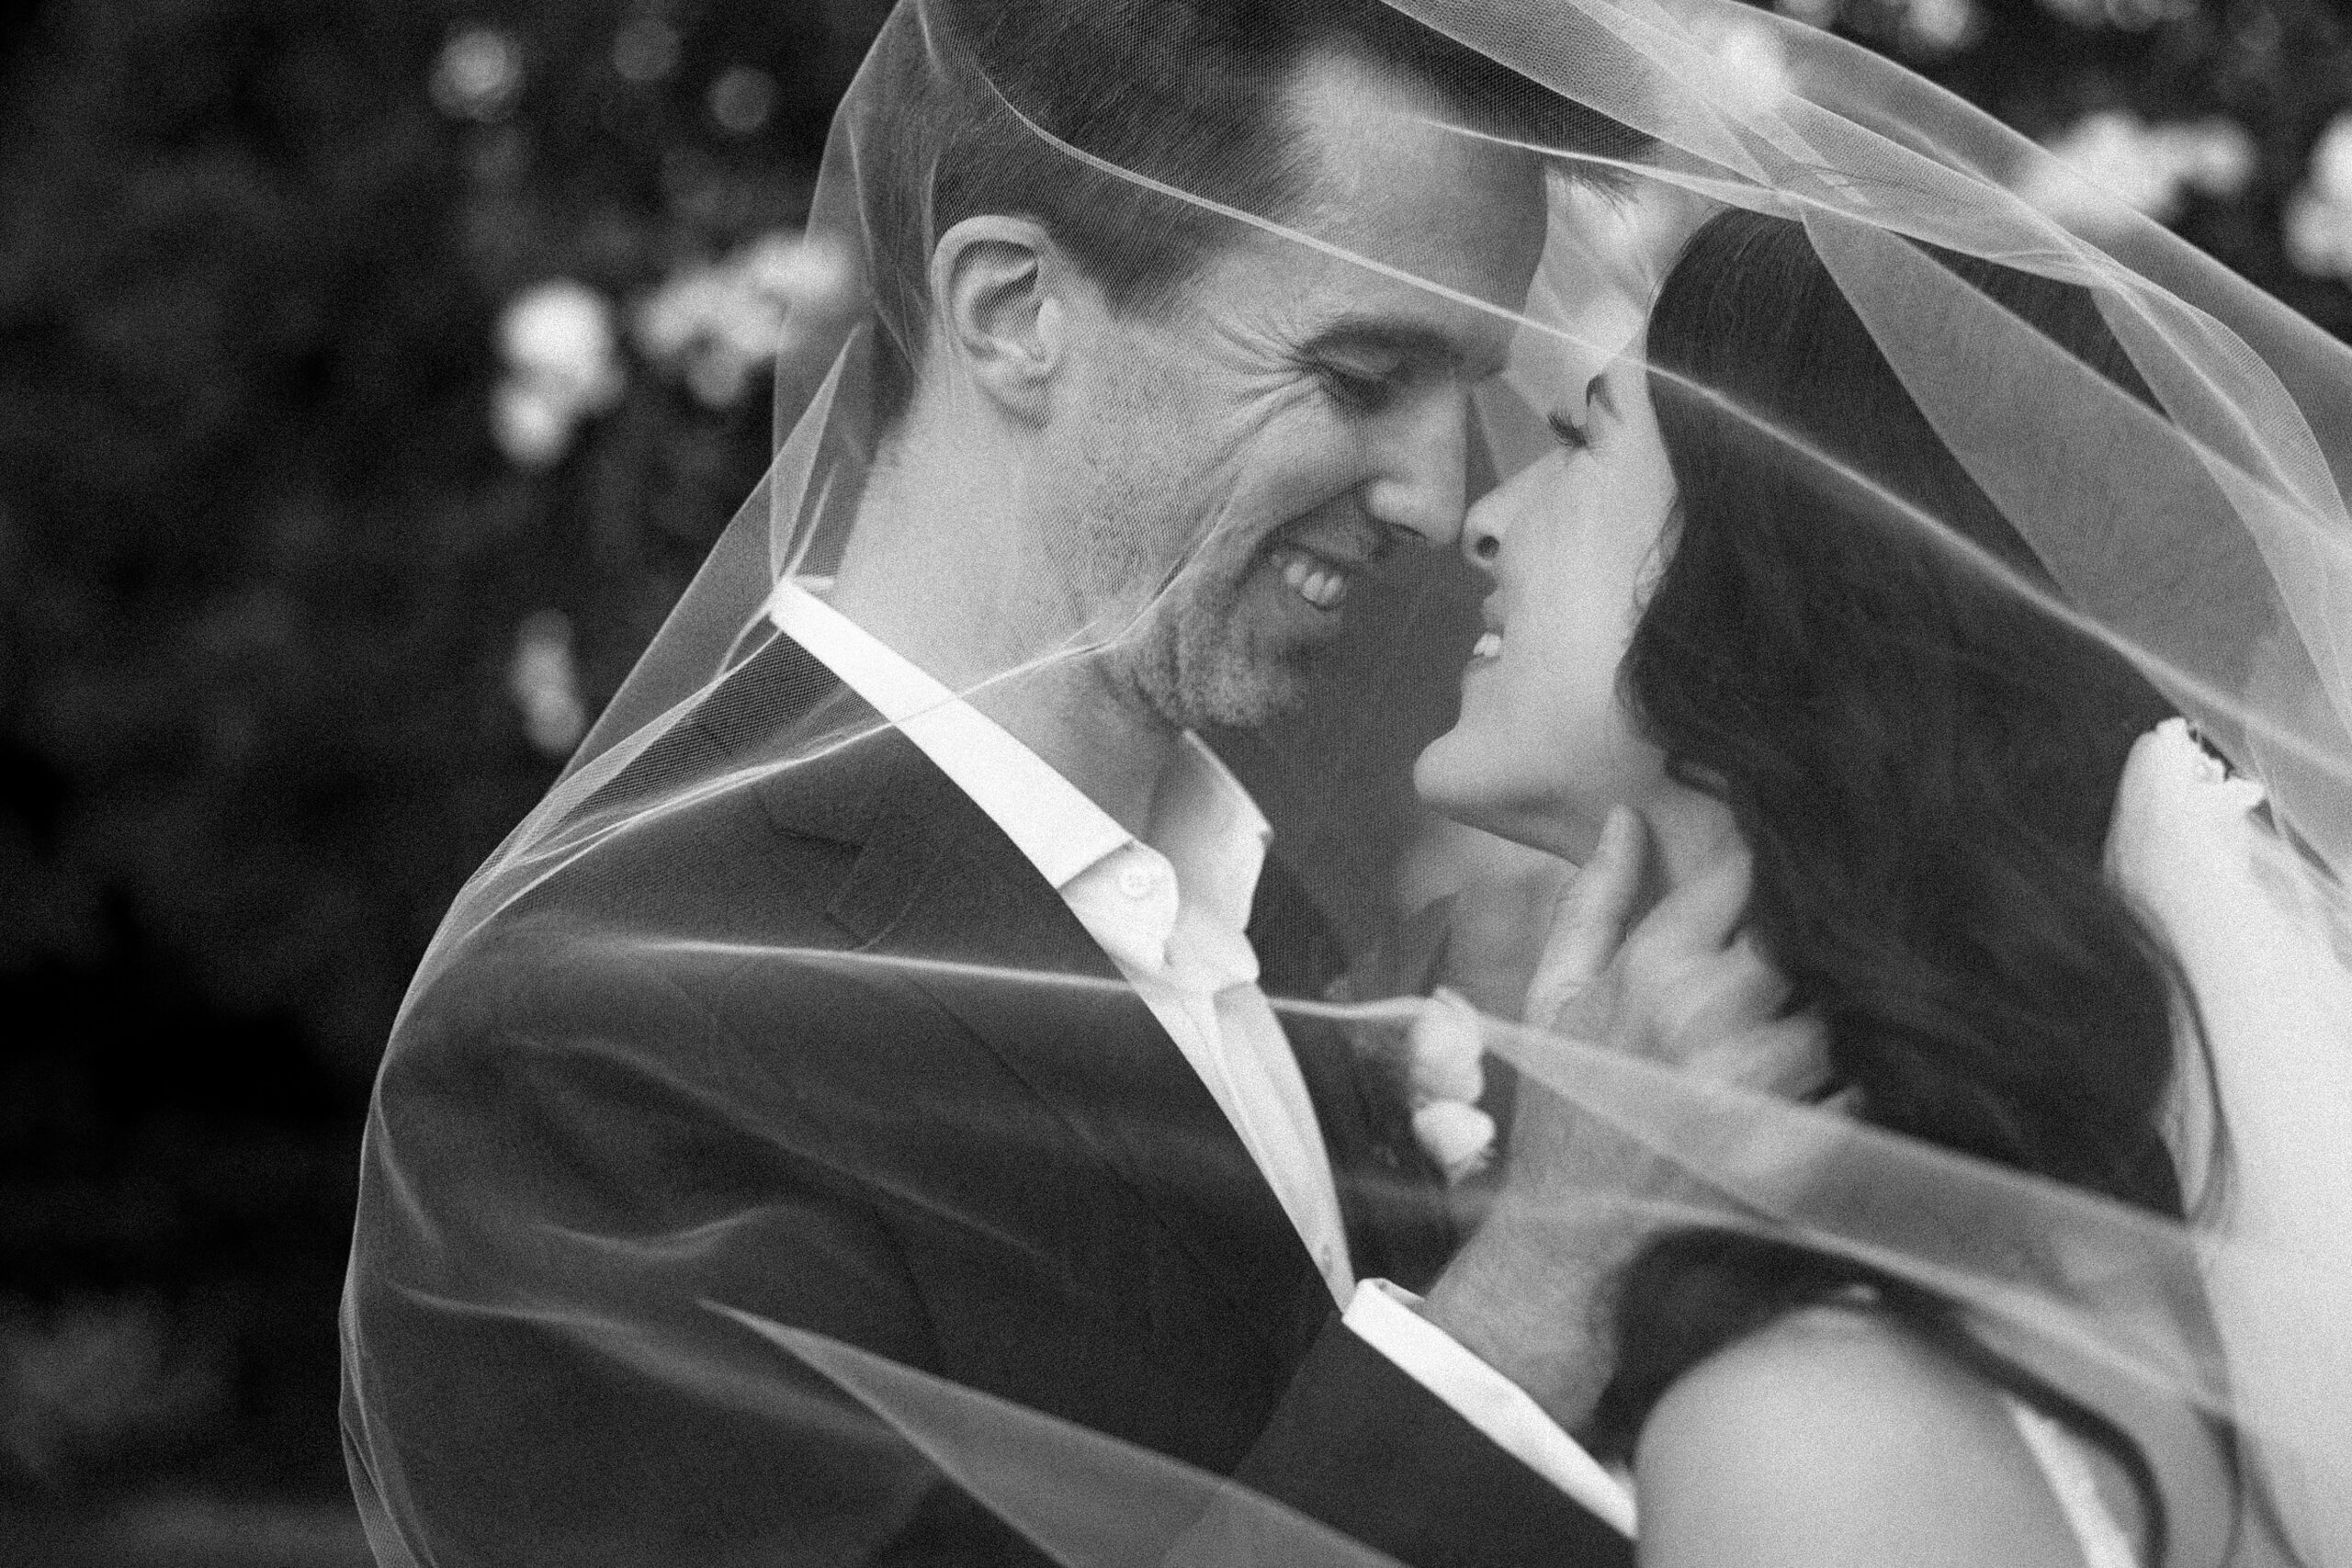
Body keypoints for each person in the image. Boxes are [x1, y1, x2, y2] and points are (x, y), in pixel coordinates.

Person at [339, 4, 1814, 1566]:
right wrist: (1520, 1308)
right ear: (1015, 308)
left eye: (1470, 387)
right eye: (1363, 372)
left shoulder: (1276, 934)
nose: (1441, 494)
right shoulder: (595, 1036)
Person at [1415, 205, 2254, 1568]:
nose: (1483, 517)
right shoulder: (2029, 1265)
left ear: (1773, 572)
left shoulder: (1813, 1438)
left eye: (1581, 440)